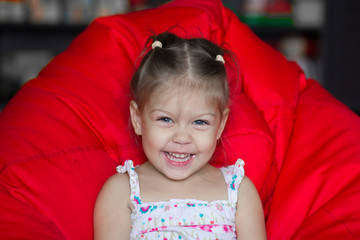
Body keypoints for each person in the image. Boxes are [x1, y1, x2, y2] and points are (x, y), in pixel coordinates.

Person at [93, 32, 266, 239]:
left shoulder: (238, 193)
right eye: (166, 119)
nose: (182, 138)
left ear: (220, 126)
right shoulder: (122, 193)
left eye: (200, 122)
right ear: (138, 119)